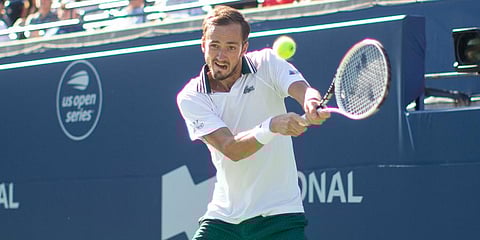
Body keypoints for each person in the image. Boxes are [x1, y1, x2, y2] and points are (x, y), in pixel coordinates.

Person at [176, 5, 330, 240]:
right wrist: (271, 126)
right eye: (214, 45)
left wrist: (311, 103)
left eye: (231, 47)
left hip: (280, 216)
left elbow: (304, 91)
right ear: (203, 45)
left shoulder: (267, 63)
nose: (220, 56)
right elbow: (231, 148)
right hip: (224, 219)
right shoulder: (191, 96)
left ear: (244, 48)